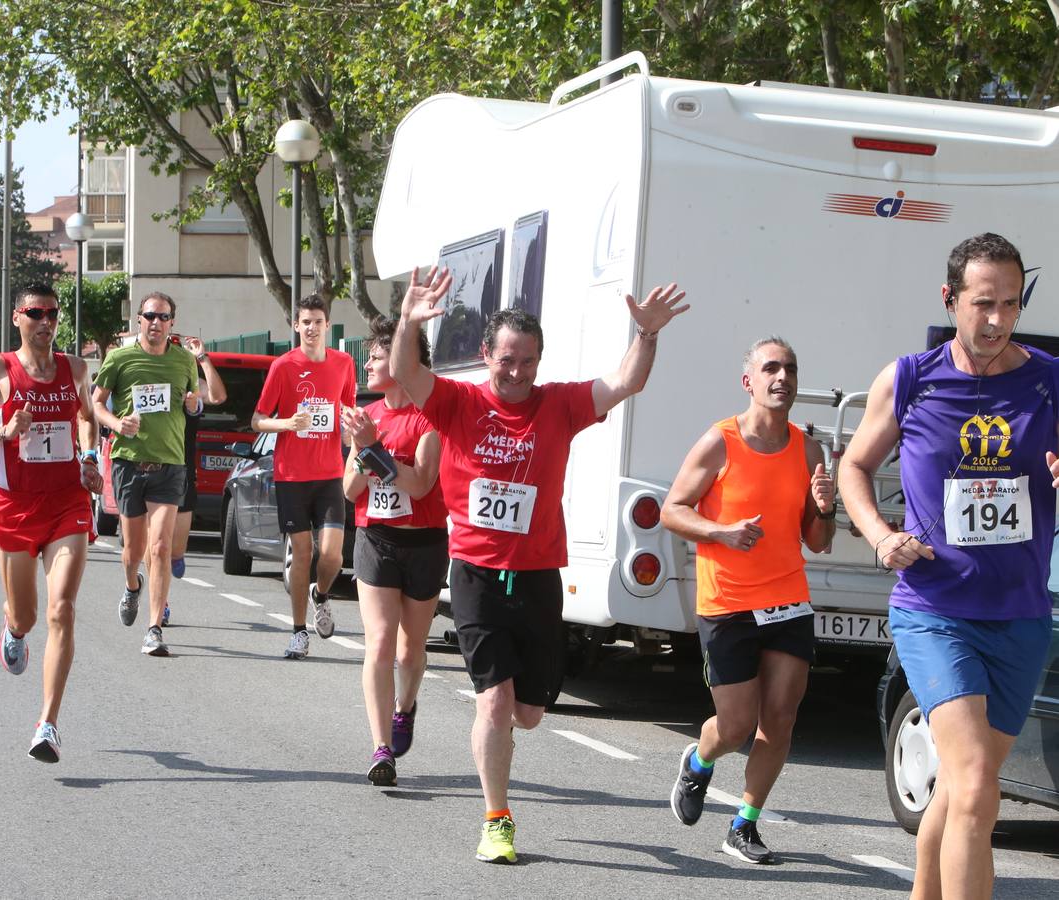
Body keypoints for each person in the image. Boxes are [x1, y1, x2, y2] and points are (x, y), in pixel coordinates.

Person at [390, 265, 688, 864]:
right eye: (507, 360)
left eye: (528, 361)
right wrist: (407, 320)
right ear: (486, 355)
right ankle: (497, 819)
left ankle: (505, 754)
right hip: (474, 574)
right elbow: (404, 373)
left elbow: (625, 382)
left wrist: (648, 335)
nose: (518, 371)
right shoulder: (458, 402)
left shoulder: (560, 405)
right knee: (495, 703)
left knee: (528, 713)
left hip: (538, 579)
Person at [838, 233, 1055, 900]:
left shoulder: (1049, 381)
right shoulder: (908, 379)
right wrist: (879, 533)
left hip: (1019, 616)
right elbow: (853, 465)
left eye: (1011, 305)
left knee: (963, 792)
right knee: (976, 790)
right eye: (983, 303)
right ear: (950, 298)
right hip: (935, 612)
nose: (996, 320)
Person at [660, 337, 835, 864]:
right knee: (735, 726)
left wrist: (825, 509)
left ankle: (744, 824)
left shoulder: (808, 448)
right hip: (729, 603)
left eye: (791, 369)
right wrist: (721, 531)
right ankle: (698, 761)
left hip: (788, 600)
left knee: (779, 718)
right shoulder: (721, 441)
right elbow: (673, 509)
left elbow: (817, 540)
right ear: (749, 381)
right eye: (771, 368)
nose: (782, 377)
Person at [0, 282, 102, 763]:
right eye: (35, 313)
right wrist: (2, 431)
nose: (46, 321)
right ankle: (12, 630)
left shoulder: (75, 367)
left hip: (67, 503)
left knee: (62, 611)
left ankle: (47, 724)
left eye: (52, 313)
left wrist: (90, 457)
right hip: (14, 506)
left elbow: (88, 418)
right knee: (28, 615)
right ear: (18, 317)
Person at [341, 318, 445, 788]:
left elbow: (421, 485)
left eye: (377, 356)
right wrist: (364, 450)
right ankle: (382, 748)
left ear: (404, 362)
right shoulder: (369, 416)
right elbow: (349, 489)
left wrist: (373, 450)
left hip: (423, 540)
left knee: (411, 649)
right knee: (380, 642)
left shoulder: (431, 418)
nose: (367, 364)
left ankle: (406, 706)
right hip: (376, 538)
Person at [91, 292, 200, 655]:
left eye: (163, 317)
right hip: (128, 463)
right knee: (133, 550)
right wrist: (117, 424)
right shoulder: (119, 358)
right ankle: (131, 586)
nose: (156, 322)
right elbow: (96, 403)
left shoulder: (184, 360)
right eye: (150, 315)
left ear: (172, 323)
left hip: (169, 464)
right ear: (139, 319)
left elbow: (195, 401)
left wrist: (193, 403)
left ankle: (154, 628)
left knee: (161, 546)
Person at [252, 293, 357, 659]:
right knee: (303, 551)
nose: (311, 328)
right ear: (296, 326)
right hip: (292, 476)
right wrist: (288, 423)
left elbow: (347, 411)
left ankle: (321, 594)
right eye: (305, 322)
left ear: (328, 325)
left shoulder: (344, 363)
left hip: (330, 474)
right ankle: (298, 631)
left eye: (318, 321)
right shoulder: (283, 366)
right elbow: (258, 419)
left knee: (332, 556)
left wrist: (348, 431)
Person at [168, 335, 228, 581]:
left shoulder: (191, 384)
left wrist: (202, 358)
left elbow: (218, 397)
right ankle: (159, 603)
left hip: (181, 471)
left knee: (174, 551)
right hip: (149, 467)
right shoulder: (145, 380)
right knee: (156, 545)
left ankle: (174, 557)